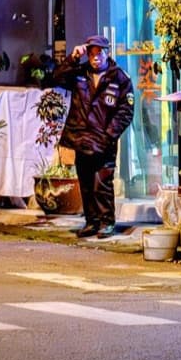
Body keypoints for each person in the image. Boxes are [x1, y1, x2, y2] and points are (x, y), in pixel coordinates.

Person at [53, 35, 135, 238]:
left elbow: (126, 111)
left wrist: (109, 135)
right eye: (91, 53)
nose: (96, 58)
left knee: (102, 183)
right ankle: (92, 222)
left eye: (99, 53)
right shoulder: (80, 73)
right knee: (87, 183)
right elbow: (56, 79)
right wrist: (73, 57)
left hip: (104, 142)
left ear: (107, 53)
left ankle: (107, 222)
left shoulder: (120, 78)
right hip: (82, 139)